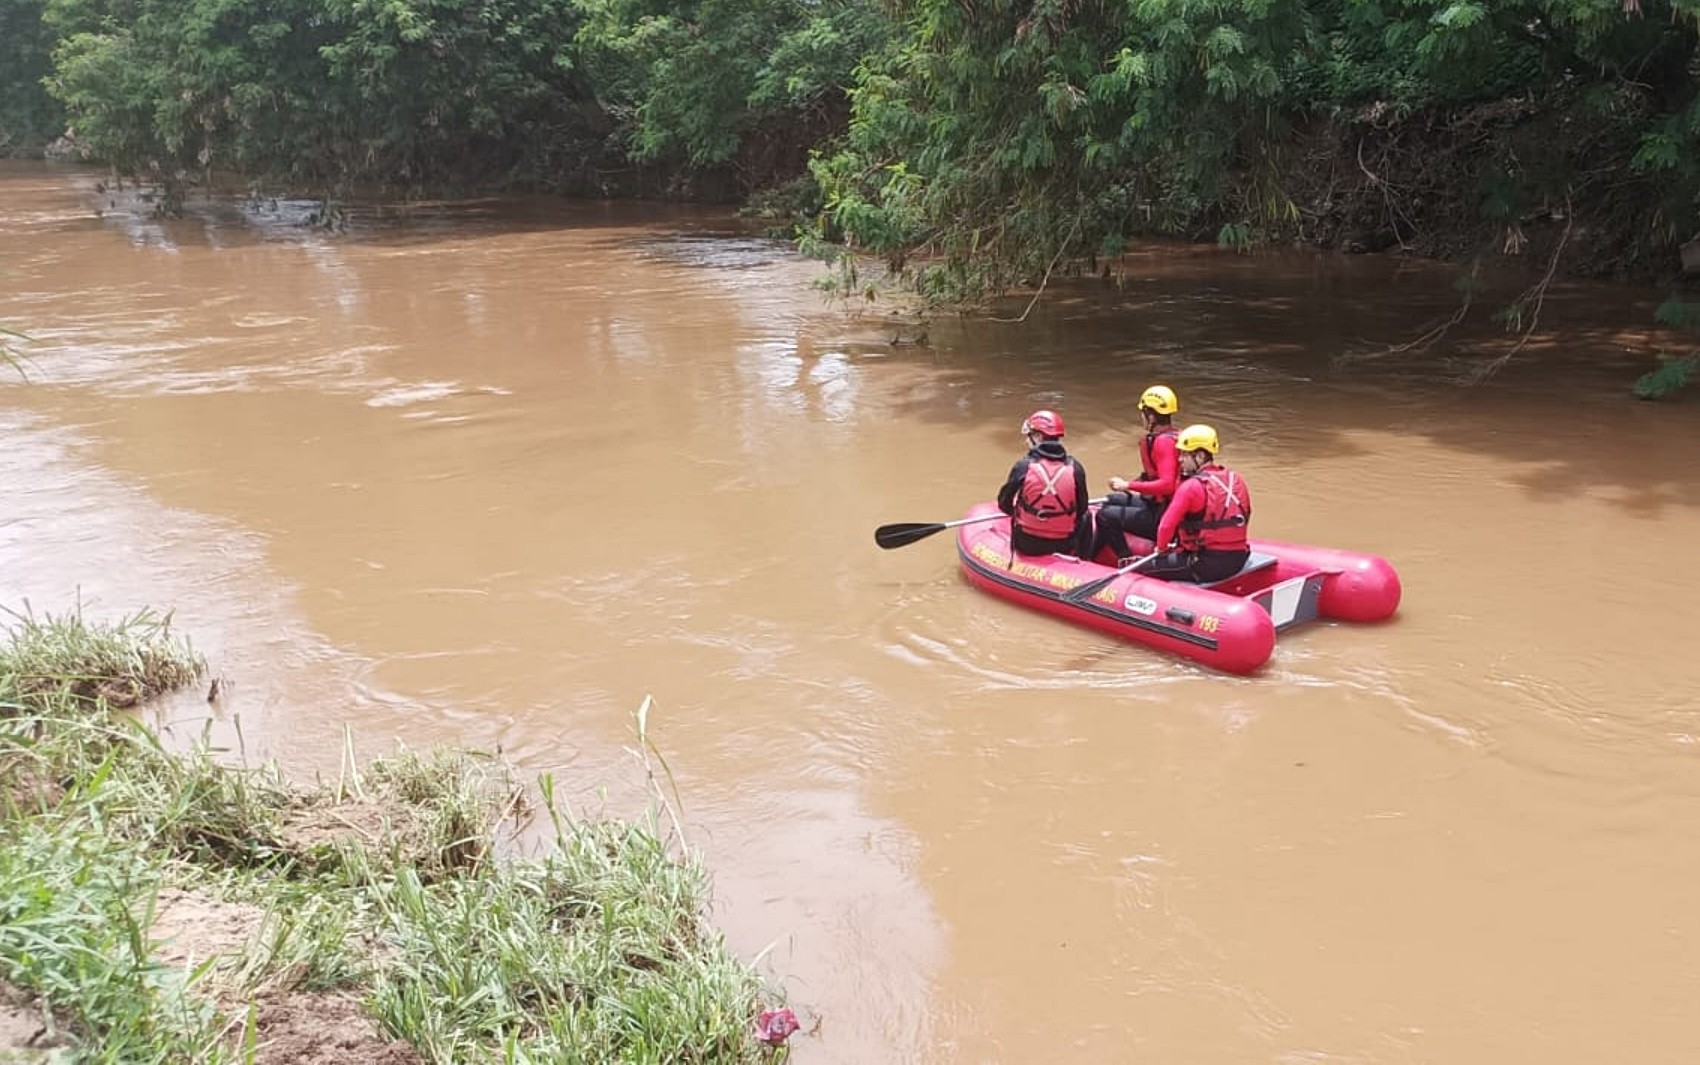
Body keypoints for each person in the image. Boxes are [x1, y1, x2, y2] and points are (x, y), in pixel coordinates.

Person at [1144, 423, 1253, 584]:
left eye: (1184, 454)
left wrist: (1161, 549)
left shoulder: (1191, 487)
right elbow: (1247, 512)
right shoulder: (1235, 479)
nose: (1179, 460)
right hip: (1238, 558)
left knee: (1143, 568)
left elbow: (1165, 526)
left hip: (1206, 565)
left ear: (1200, 456)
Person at [1087, 384, 1181, 562]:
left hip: (1165, 516)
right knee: (1112, 499)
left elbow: (1167, 485)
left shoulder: (1163, 443)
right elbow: (1155, 476)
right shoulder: (1172, 437)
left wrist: (1128, 485)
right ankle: (1091, 558)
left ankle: (1125, 558)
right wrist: (1132, 483)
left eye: (1143, 414)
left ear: (1151, 416)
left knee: (1104, 516)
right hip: (1159, 506)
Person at [996, 409, 1091, 557]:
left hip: (1027, 543)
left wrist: (1023, 513)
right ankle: (1084, 559)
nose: (1026, 441)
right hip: (1064, 544)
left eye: (1029, 436)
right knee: (1088, 516)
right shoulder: (1076, 468)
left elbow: (1004, 503)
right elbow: (1082, 508)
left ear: (1038, 437)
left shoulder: (1023, 466)